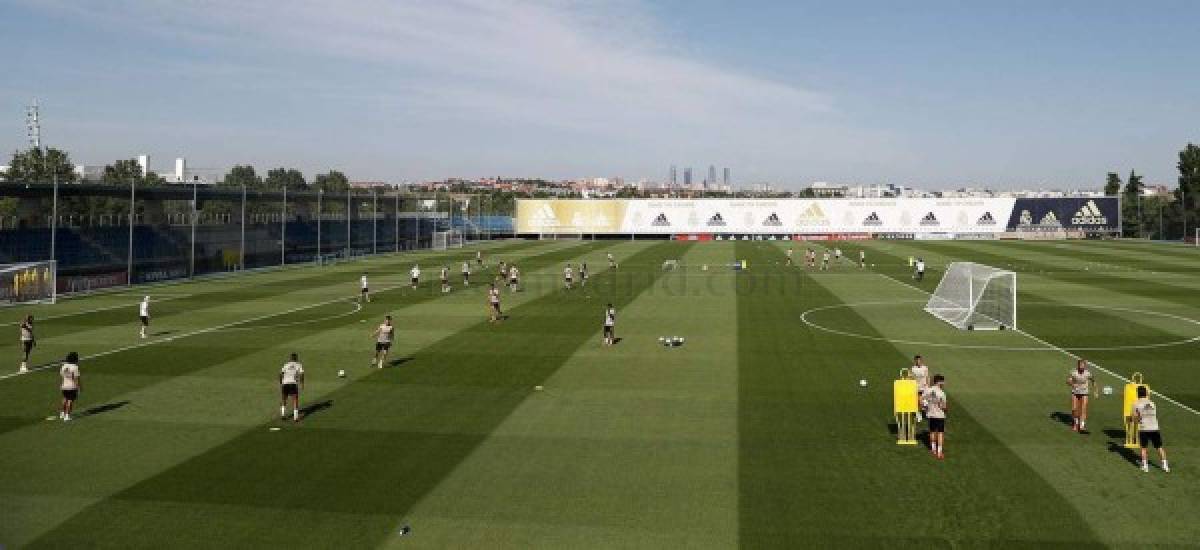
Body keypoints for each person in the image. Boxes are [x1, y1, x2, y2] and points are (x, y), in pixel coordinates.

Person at [1131, 385, 1168, 473]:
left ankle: (1145, 466)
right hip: (1155, 428)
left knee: (1144, 448)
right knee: (1159, 447)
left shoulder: (1136, 404)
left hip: (1144, 428)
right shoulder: (1152, 403)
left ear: (1137, 393)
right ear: (1146, 393)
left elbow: (1135, 418)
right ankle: (1165, 466)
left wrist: (1136, 418)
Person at [923, 374, 948, 459]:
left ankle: (933, 450)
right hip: (940, 415)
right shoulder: (942, 393)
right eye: (943, 381)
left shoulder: (928, 390)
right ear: (939, 382)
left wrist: (925, 407)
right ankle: (939, 452)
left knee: (932, 431)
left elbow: (922, 399)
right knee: (940, 433)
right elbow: (944, 406)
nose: (944, 383)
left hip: (931, 414)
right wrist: (946, 409)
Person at [1067, 359, 1095, 432]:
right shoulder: (1074, 372)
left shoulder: (1087, 373)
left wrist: (1096, 391)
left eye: (1083, 365)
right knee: (1074, 409)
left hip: (1084, 392)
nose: (1082, 366)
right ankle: (1076, 423)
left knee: (1083, 408)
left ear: (1085, 366)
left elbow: (1093, 380)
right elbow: (1068, 381)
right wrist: (1072, 384)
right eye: (1080, 365)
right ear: (1078, 365)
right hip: (1075, 392)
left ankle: (1082, 425)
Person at [279, 353, 304, 422]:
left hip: (285, 384)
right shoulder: (298, 365)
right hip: (293, 384)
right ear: (296, 358)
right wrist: (302, 383)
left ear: (290, 358)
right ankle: (295, 418)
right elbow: (302, 374)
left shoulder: (286, 365)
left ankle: (283, 415)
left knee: (284, 399)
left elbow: (281, 374)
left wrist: (281, 382)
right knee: (295, 400)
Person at [59, 352, 81, 421]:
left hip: (64, 385)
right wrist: (79, 387)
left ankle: (62, 413)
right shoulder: (75, 367)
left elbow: (62, 375)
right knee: (70, 400)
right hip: (72, 386)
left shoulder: (64, 366)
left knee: (65, 398)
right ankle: (67, 415)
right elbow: (76, 378)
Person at [910, 355, 930, 422]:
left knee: (926, 401)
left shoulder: (925, 368)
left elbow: (927, 377)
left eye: (919, 360)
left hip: (924, 387)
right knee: (919, 402)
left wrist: (928, 385)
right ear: (915, 361)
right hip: (917, 387)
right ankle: (919, 414)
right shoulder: (913, 368)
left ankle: (927, 413)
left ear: (921, 360)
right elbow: (911, 378)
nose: (918, 361)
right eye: (917, 360)